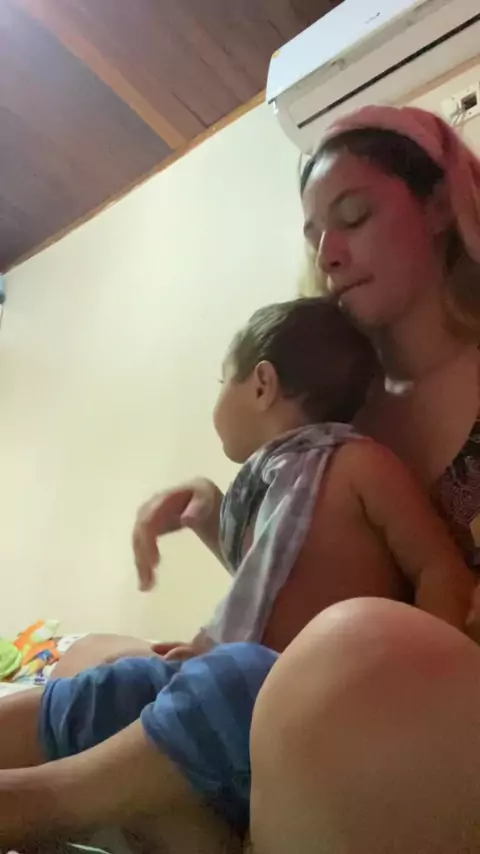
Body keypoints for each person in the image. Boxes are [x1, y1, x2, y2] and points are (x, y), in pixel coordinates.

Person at [0, 293, 473, 852]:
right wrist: (211, 517)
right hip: (235, 708)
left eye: (223, 379)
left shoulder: (358, 462)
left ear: (262, 383)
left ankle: (41, 801)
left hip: (303, 717)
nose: (218, 396)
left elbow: (437, 565)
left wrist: (411, 689)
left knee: (233, 674)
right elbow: (266, 584)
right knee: (126, 679)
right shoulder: (264, 490)